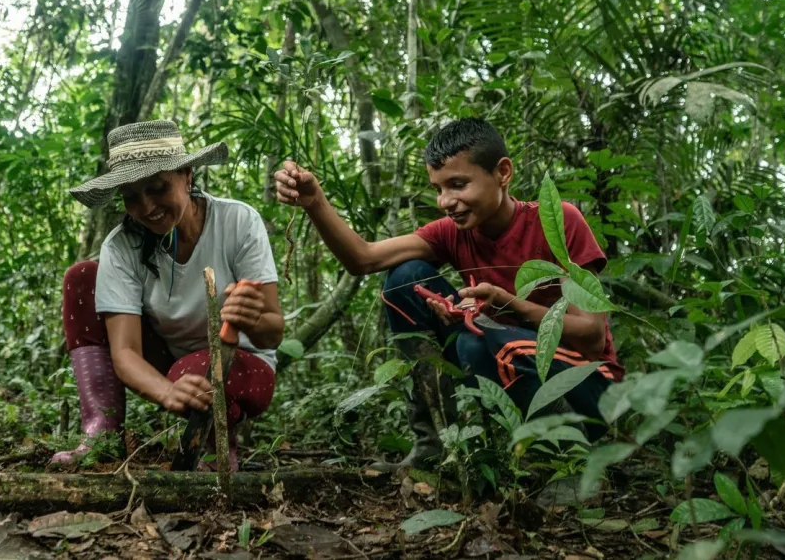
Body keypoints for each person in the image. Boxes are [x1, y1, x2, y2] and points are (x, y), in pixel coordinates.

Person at [273, 118, 622, 472]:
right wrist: (315, 201)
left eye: (458, 184)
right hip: (508, 359)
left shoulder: (557, 219)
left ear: (502, 172)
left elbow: (592, 336)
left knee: (484, 342)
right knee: (405, 280)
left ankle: (566, 459)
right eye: (438, 189)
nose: (446, 201)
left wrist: (506, 304)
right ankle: (434, 445)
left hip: (589, 387)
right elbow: (364, 259)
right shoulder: (453, 232)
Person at [52, 119, 284, 470]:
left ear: (187, 175)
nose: (146, 208)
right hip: (172, 365)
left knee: (195, 369)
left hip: (241, 361)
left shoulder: (238, 222)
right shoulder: (122, 246)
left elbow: (273, 332)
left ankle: (217, 445)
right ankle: (101, 434)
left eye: (158, 188)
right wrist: (166, 391)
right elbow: (126, 351)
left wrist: (251, 318)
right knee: (83, 277)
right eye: (131, 197)